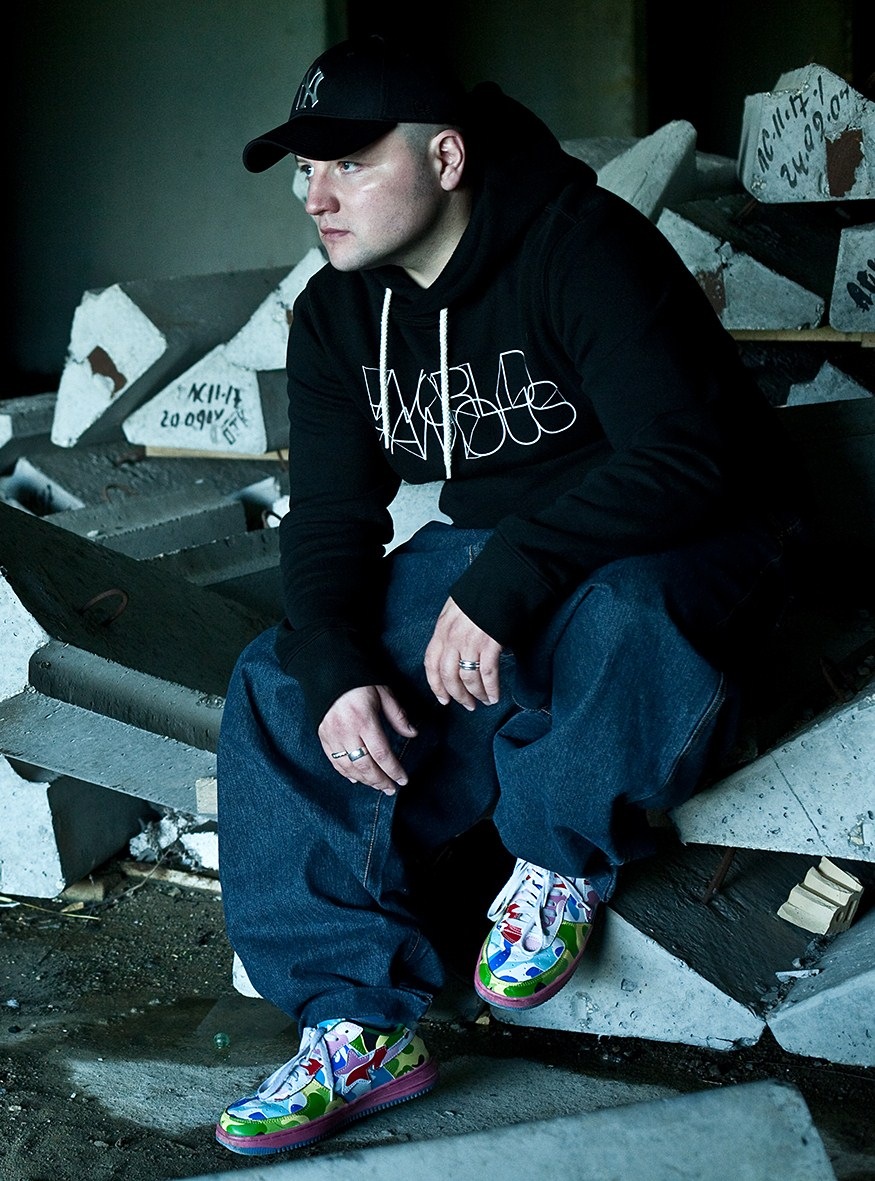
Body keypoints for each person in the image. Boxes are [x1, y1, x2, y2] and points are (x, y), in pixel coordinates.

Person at [214, 33, 810, 1156]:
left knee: (623, 620)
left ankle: (556, 848)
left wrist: (504, 581)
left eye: (348, 164)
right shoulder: (335, 313)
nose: (316, 197)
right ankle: (353, 1020)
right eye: (304, 170)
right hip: (502, 543)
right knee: (278, 679)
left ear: (443, 157)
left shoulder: (583, 245)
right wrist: (338, 667)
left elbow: (688, 456)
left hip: (692, 531)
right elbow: (331, 520)